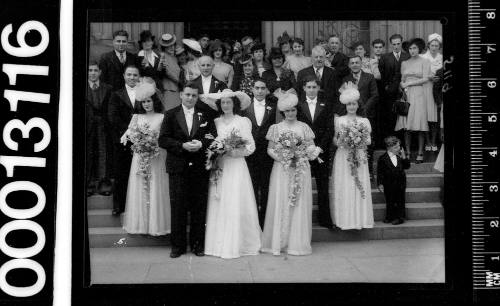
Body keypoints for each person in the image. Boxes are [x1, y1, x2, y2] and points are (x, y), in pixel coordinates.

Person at [158, 82, 217, 258]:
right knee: (178, 208)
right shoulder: (170, 114)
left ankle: (198, 245)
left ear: (197, 97)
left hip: (199, 168)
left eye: (194, 95)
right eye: (187, 94)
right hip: (178, 167)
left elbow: (213, 137)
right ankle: (178, 246)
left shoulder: (206, 114)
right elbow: (163, 140)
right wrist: (181, 145)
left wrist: (202, 144)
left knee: (199, 208)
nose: (190, 98)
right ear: (181, 95)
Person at [201, 91, 262, 259]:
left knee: (235, 199)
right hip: (220, 166)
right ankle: (218, 244)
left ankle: (238, 243)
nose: (225, 105)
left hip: (236, 165)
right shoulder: (215, 122)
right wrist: (216, 150)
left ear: (234, 103)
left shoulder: (243, 121)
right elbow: (210, 142)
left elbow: (251, 146)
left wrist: (233, 151)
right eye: (223, 103)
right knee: (220, 200)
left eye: (228, 102)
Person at [262, 93, 320, 256]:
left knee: (299, 202)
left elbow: (311, 147)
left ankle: (297, 242)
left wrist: (305, 154)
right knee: (282, 200)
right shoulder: (276, 128)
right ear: (283, 112)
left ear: (297, 110)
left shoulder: (304, 127)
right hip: (283, 169)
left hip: (301, 169)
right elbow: (270, 149)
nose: (290, 113)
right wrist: (284, 157)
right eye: (287, 111)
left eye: (293, 110)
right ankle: (279, 242)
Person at [120, 80, 170, 235]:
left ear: (154, 101)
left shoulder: (162, 117)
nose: (146, 104)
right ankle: (141, 226)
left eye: (149, 101)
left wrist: (153, 143)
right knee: (140, 187)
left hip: (156, 156)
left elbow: (164, 137)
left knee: (156, 186)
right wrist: (131, 139)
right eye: (143, 102)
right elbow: (129, 133)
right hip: (141, 156)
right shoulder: (136, 117)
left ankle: (156, 225)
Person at [330, 82, 374, 230]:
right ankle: (344, 220)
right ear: (345, 105)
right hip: (344, 156)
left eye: (354, 104)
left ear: (358, 105)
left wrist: (358, 141)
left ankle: (360, 220)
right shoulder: (339, 120)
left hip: (359, 156)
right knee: (345, 184)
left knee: (358, 183)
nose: (351, 107)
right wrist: (344, 143)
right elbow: (335, 139)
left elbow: (368, 140)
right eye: (349, 104)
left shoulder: (364, 121)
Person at [296, 75, 335, 228]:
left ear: (318, 88)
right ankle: (303, 221)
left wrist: (319, 148)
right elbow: (297, 128)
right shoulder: (298, 106)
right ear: (304, 88)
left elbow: (329, 129)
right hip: (303, 151)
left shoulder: (326, 105)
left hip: (321, 152)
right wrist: (306, 147)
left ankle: (325, 219)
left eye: (314, 87)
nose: (311, 90)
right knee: (302, 185)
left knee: (323, 186)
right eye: (309, 87)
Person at [240, 78, 278, 227]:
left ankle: (265, 222)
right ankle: (253, 222)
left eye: (263, 88)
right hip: (250, 154)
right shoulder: (245, 108)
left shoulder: (273, 107)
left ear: (267, 90)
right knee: (252, 187)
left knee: (266, 187)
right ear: (252, 90)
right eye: (257, 88)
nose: (260, 91)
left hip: (267, 153)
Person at [107, 65, 141, 215]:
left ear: (139, 76)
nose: (132, 77)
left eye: (135, 75)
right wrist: (128, 131)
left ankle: (137, 208)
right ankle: (118, 206)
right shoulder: (116, 94)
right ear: (124, 76)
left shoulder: (145, 94)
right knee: (121, 174)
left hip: (141, 139)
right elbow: (112, 117)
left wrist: (139, 131)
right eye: (129, 75)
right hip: (123, 139)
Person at [395, 38, 434, 163]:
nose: (412, 50)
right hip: (407, 95)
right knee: (407, 125)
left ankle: (420, 153)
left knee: (420, 124)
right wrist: (402, 85)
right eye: (410, 48)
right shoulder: (404, 63)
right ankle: (407, 152)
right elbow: (402, 80)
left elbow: (426, 78)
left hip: (419, 94)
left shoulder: (425, 61)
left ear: (419, 49)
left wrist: (410, 83)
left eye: (415, 48)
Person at [342, 55, 379, 178]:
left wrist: (363, 108)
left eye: (357, 62)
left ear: (361, 63)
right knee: (353, 140)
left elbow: (375, 95)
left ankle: (368, 171)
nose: (354, 64)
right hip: (352, 114)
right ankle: (354, 168)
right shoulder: (346, 79)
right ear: (349, 65)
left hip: (367, 114)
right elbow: (342, 97)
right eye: (352, 63)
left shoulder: (369, 77)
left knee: (368, 142)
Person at [86, 61, 113, 196]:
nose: (92, 73)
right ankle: (89, 184)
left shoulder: (107, 88)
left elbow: (110, 108)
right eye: (90, 70)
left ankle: (104, 183)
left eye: (95, 70)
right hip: (87, 125)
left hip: (103, 125)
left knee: (103, 153)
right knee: (88, 152)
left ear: (100, 72)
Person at [378, 34, 410, 142]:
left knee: (404, 117)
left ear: (401, 43)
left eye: (398, 44)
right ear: (391, 44)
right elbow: (382, 76)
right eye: (394, 44)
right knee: (391, 117)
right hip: (390, 94)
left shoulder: (408, 56)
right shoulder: (385, 57)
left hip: (404, 92)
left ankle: (404, 144)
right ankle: (391, 142)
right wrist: (387, 87)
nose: (396, 46)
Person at [377, 136, 411, 225]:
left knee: (400, 200)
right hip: (388, 183)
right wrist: (380, 183)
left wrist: (404, 157)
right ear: (389, 148)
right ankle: (389, 216)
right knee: (390, 200)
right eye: (396, 147)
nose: (398, 148)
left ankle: (400, 217)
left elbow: (407, 166)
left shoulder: (400, 156)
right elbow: (380, 172)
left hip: (400, 183)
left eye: (399, 146)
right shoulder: (382, 158)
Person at [296, 45, 340, 112]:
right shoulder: (302, 73)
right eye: (316, 57)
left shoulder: (333, 73)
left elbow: (337, 94)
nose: (319, 59)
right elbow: (299, 94)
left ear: (325, 58)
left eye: (321, 57)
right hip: (307, 111)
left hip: (328, 111)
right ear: (312, 58)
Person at [421, 33, 443, 152]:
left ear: (439, 47)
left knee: (435, 117)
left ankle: (434, 142)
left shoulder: (442, 58)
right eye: (432, 45)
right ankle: (427, 142)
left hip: (438, 91)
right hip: (426, 88)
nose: (434, 48)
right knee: (426, 117)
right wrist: (429, 77)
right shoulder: (423, 57)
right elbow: (419, 73)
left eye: (436, 45)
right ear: (428, 46)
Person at [158, 33, 182, 111]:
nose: (172, 47)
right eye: (168, 46)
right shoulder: (162, 55)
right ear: (164, 47)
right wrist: (180, 82)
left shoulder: (174, 58)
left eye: (173, 45)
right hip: (168, 90)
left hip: (177, 90)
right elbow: (166, 72)